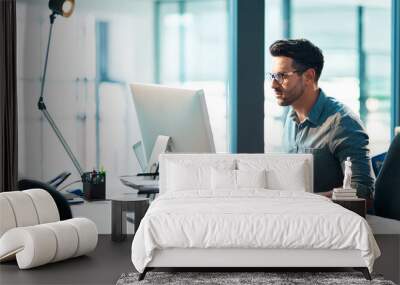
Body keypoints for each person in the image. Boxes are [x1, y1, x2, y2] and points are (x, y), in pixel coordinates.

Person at [267, 39, 374, 200]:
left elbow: (362, 191)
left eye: (282, 76)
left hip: (332, 222)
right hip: (297, 218)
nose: (273, 85)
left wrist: (307, 201)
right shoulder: (290, 119)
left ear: (309, 76)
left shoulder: (342, 123)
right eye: (273, 76)